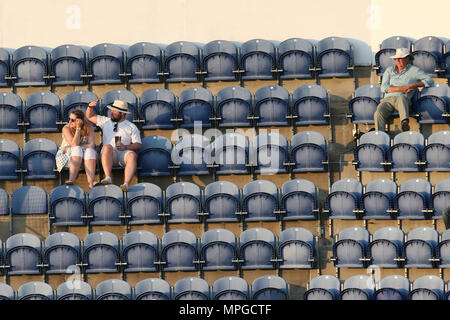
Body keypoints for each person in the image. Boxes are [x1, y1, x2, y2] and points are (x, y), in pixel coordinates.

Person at [86, 99, 142, 192]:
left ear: (122, 113)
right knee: (107, 147)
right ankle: (108, 177)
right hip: (109, 154)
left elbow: (138, 144)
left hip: (123, 153)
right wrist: (90, 107)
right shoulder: (105, 121)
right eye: (112, 110)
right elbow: (90, 116)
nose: (111, 112)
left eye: (114, 110)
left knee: (132, 155)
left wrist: (126, 147)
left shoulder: (131, 126)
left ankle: (126, 184)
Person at [374, 47, 434, 132]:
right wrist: (403, 88)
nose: (397, 60)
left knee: (401, 99)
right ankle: (379, 135)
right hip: (388, 100)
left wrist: (414, 85)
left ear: (407, 59)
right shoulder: (389, 70)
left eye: (400, 58)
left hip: (403, 99)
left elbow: (429, 80)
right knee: (378, 112)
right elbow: (384, 88)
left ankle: (404, 123)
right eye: (396, 59)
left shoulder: (414, 70)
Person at [56, 109, 97, 189]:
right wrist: (78, 128)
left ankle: (91, 182)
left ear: (80, 120)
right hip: (67, 156)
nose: (70, 121)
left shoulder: (89, 128)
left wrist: (77, 146)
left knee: (90, 151)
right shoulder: (66, 128)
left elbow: (91, 145)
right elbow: (74, 144)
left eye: (73, 120)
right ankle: (71, 180)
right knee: (77, 149)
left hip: (83, 156)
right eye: (69, 119)